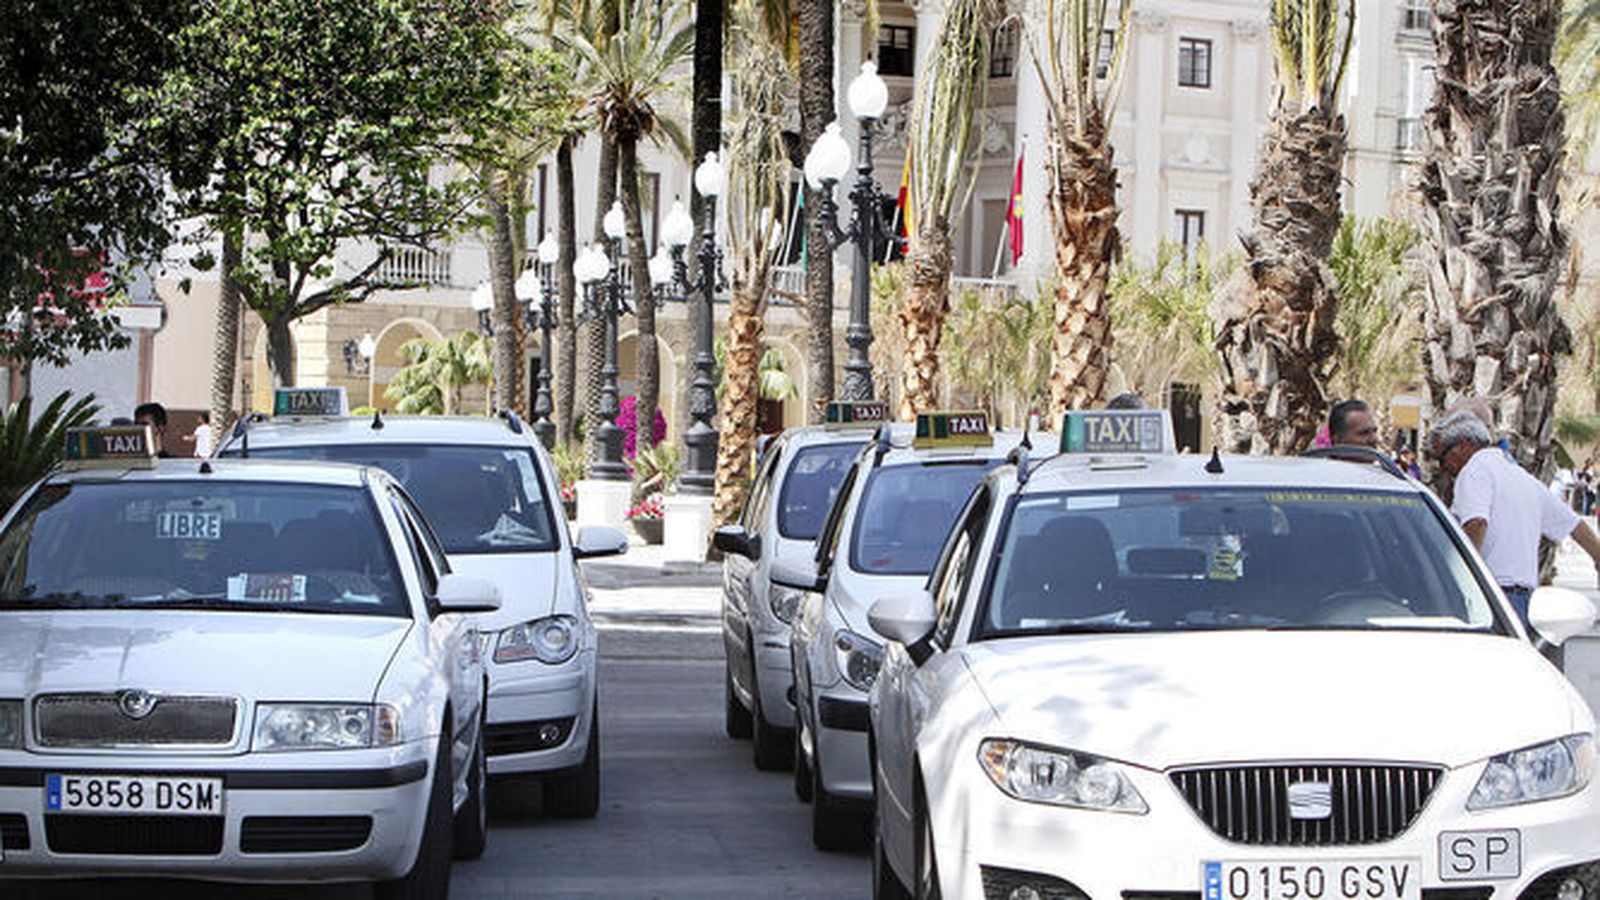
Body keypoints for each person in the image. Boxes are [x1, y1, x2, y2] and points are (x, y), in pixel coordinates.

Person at [1429, 410, 1600, 631]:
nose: (1443, 468)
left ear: (1463, 445)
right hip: (1524, 602)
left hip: (1490, 598)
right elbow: (1574, 525)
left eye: (1443, 457)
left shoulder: (1473, 471)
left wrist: (1459, 576)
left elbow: (1477, 523)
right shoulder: (1522, 478)